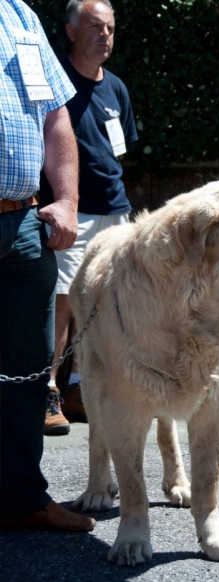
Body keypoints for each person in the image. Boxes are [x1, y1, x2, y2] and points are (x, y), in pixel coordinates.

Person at [0, 0, 95, 531]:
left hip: (24, 226)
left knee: (28, 372)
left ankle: (22, 498)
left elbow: (55, 115)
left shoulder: (20, 15)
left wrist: (66, 200)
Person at [40, 0, 138, 435]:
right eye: (96, 27)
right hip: (71, 215)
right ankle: (48, 390)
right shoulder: (53, 82)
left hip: (115, 216)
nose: (105, 36)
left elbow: (120, 151)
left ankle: (82, 388)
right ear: (71, 31)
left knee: (106, 304)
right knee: (62, 302)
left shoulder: (116, 87)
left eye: (111, 29)